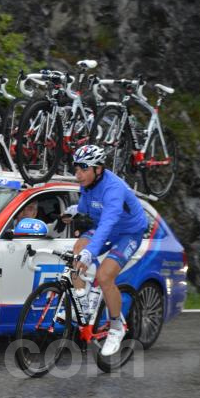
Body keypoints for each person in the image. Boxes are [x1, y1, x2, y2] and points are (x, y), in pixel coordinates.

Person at [61, 144, 148, 356]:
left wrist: (91, 252)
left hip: (128, 233)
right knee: (77, 250)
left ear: (98, 169)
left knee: (105, 275)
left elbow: (108, 222)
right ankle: (83, 302)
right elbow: (88, 205)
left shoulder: (114, 189)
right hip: (105, 228)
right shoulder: (88, 184)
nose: (78, 175)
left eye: (83, 169)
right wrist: (75, 210)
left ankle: (117, 327)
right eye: (76, 169)